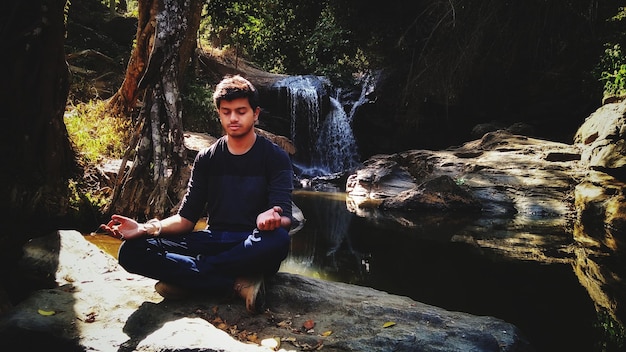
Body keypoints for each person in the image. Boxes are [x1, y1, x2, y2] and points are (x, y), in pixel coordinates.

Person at [100, 75, 294, 313]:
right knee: (131, 251)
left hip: (251, 242)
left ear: (255, 113)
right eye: (226, 112)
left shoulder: (275, 158)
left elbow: (284, 218)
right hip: (212, 240)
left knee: (279, 240)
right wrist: (145, 228)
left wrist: (272, 218)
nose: (233, 118)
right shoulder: (207, 158)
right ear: (219, 114)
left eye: (241, 111)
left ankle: (190, 277)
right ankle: (234, 283)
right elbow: (186, 219)